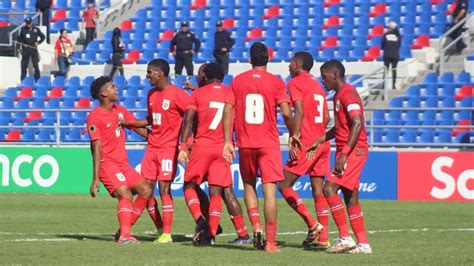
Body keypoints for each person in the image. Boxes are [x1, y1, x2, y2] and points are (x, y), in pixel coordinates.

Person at [222, 42, 300, 253]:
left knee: (248, 185)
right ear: (268, 59)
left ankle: (255, 224)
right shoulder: (275, 83)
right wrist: (293, 133)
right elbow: (286, 112)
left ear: (249, 60)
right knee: (270, 192)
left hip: (245, 142)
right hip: (268, 143)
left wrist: (228, 141)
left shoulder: (237, 81)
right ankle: (271, 243)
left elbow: (228, 110)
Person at [179, 63, 252, 245]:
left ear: (206, 75)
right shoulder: (230, 93)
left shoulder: (197, 94)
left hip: (203, 146)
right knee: (221, 192)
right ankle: (238, 234)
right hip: (224, 147)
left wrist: (182, 146)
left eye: (200, 73)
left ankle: (201, 221)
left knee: (189, 185)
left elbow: (188, 121)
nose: (197, 75)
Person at [119, 59, 191, 244]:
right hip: (152, 148)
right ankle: (145, 229)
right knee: (146, 190)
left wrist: (186, 143)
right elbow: (152, 118)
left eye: (150, 72)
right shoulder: (151, 94)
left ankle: (166, 234)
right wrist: (131, 123)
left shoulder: (177, 94)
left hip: (168, 149)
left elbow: (192, 113)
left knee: (164, 189)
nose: (147, 75)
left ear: (161, 73)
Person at [307, 59, 372, 254]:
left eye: (324, 76)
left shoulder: (348, 94)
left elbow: (357, 123)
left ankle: (345, 238)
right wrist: (321, 139)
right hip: (347, 150)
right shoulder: (339, 95)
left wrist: (344, 154)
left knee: (329, 188)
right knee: (350, 197)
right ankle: (363, 244)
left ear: (335, 75)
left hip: (353, 151)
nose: (322, 80)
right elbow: (342, 126)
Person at [86, 76, 155, 244]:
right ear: (104, 93)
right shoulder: (94, 117)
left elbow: (138, 128)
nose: (116, 89)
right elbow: (96, 148)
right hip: (106, 164)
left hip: (123, 164)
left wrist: (161, 140)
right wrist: (95, 178)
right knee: (125, 193)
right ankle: (125, 235)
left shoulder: (120, 110)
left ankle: (123, 231)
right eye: (112, 87)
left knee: (146, 189)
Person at [279, 52, 330, 248]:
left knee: (283, 184)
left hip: (307, 143)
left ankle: (311, 223)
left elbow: (298, 111)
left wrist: (295, 136)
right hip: (322, 143)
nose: (289, 67)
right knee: (318, 190)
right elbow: (326, 117)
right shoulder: (318, 85)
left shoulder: (295, 82)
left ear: (298, 64)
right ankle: (323, 238)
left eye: (291, 63)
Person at [16, 17, 45, 81]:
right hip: (25, 49)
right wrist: (18, 47)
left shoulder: (36, 29)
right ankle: (23, 80)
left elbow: (43, 37)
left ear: (31, 22)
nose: (28, 24)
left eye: (29, 23)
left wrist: (38, 42)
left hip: (33, 48)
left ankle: (37, 79)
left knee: (35, 65)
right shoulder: (23, 29)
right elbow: (19, 39)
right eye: (27, 23)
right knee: (24, 66)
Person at [381, 21, 401, 90]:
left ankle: (384, 86)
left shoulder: (386, 34)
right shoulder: (398, 35)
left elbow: (382, 45)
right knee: (394, 70)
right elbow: (399, 45)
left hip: (387, 55)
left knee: (386, 70)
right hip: (395, 55)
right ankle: (393, 85)